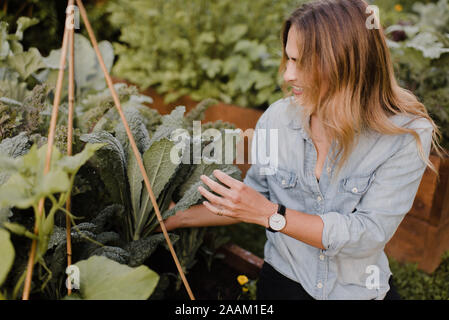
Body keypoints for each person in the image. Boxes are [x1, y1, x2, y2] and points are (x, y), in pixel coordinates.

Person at [156, 0, 447, 300]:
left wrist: (272, 215)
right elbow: (254, 197)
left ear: (346, 65)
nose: (287, 75)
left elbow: (368, 235)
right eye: (289, 59)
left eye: (302, 63)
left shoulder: (404, 136)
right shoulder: (277, 119)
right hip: (284, 279)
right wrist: (178, 216)